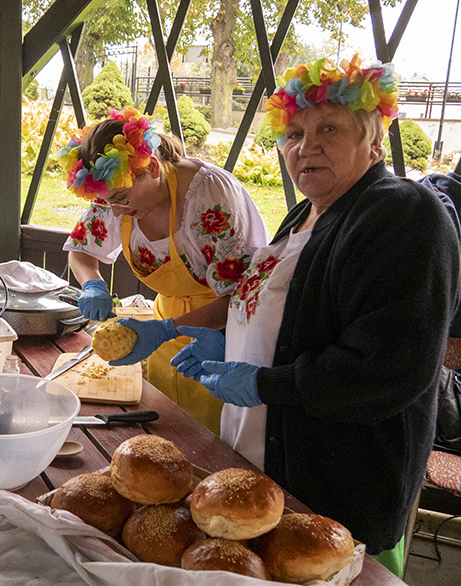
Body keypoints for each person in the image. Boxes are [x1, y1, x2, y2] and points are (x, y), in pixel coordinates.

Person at [170, 56, 461, 578]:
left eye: (329, 127)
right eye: (294, 133)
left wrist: (267, 382)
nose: (306, 146)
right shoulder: (305, 211)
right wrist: (234, 344)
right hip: (259, 467)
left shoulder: (403, 213)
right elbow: (280, 311)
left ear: (374, 139)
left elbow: (389, 368)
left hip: (335, 488)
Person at [58, 107, 269, 435]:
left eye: (121, 200)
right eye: (107, 202)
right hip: (165, 331)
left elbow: (238, 299)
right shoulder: (114, 190)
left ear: (152, 167)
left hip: (222, 338)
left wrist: (165, 331)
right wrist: (92, 284)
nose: (115, 210)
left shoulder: (209, 197)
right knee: (162, 435)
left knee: (212, 443)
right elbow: (82, 252)